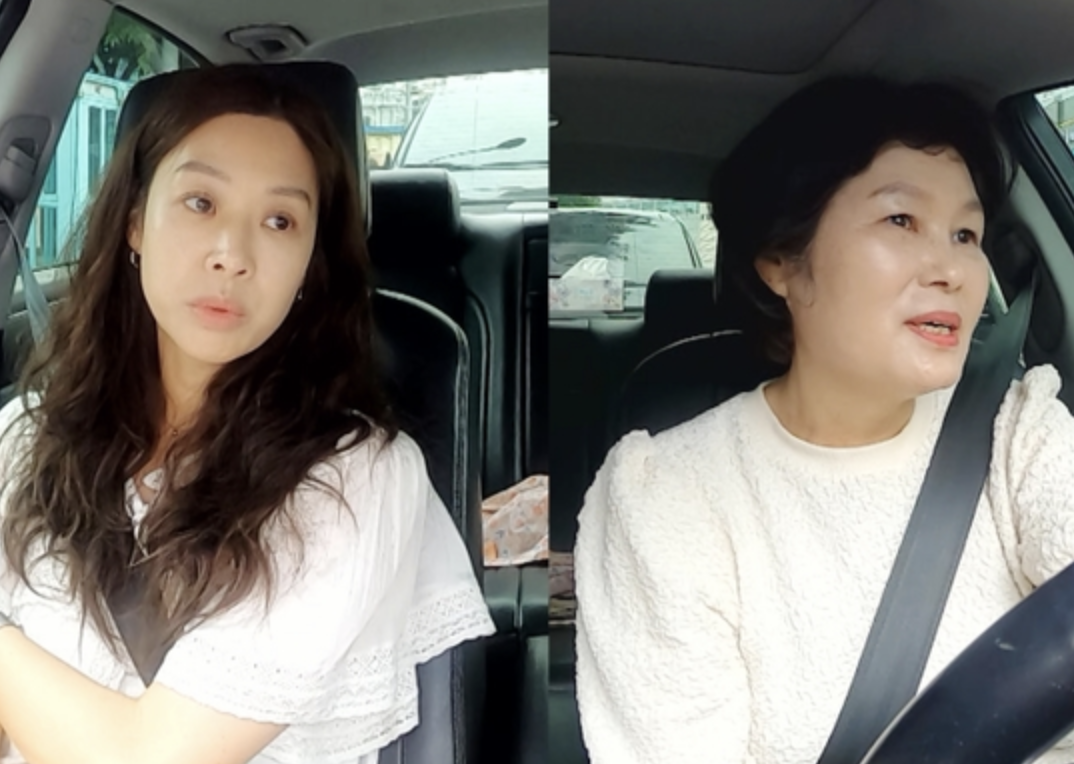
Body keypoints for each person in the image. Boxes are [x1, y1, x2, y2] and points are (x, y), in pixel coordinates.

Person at [0, 64, 494, 764]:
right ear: (136, 221)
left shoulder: (353, 479)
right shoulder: (25, 440)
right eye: (201, 202)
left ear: (309, 263)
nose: (232, 255)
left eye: (280, 221)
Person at [573, 76, 1074, 763]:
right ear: (783, 262)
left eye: (966, 233)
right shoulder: (669, 497)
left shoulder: (1019, 433)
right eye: (901, 221)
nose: (954, 270)